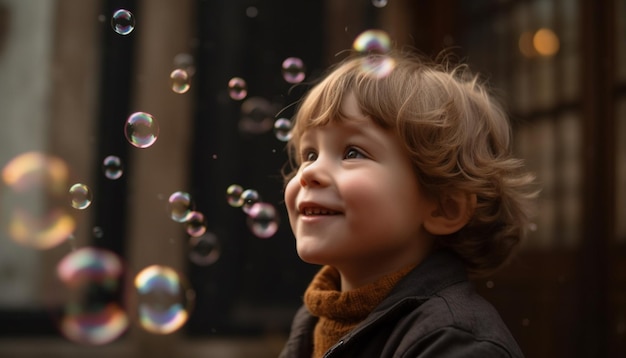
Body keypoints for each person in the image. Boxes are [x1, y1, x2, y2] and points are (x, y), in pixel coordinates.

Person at [278, 49, 537, 358]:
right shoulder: (313, 323)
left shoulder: (455, 341)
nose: (310, 173)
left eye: (352, 153)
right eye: (309, 154)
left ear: (444, 208)